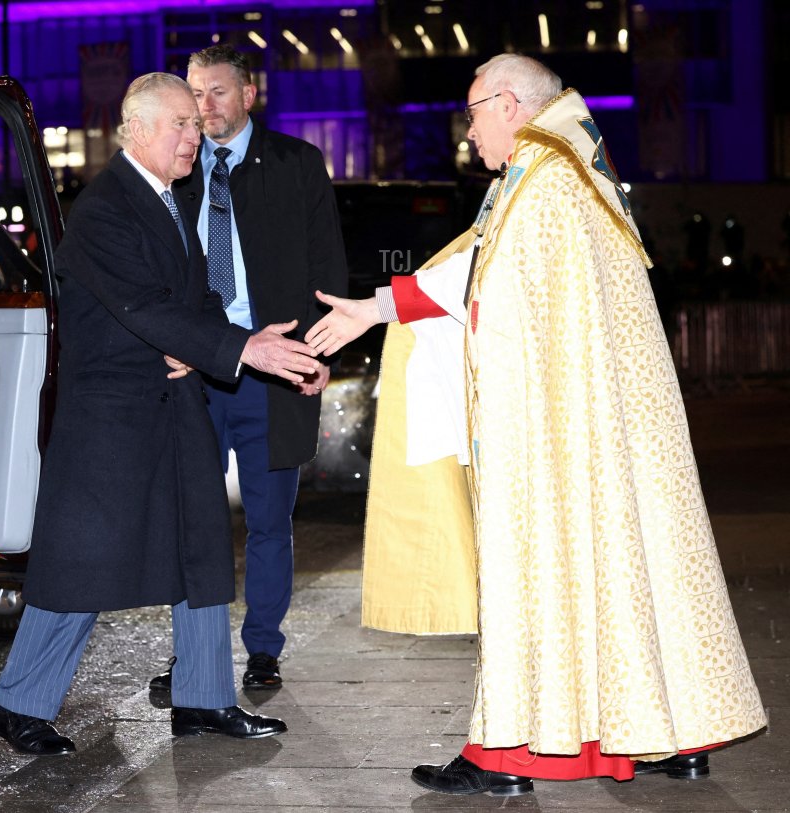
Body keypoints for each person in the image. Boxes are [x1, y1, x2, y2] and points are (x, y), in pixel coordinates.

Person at [306, 54, 766, 795]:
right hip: (605, 423)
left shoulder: (543, 178)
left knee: (544, 572)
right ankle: (676, 734)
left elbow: (495, 289)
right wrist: (382, 304)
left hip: (548, 431)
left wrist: (390, 308)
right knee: (634, 566)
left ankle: (510, 752)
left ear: (510, 104)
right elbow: (480, 269)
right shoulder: (563, 167)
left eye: (474, 112)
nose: (468, 130)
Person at [0, 72, 323, 756]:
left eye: (197, 124)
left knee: (200, 547)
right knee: (82, 563)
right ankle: (16, 704)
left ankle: (202, 699)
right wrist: (236, 347)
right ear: (136, 129)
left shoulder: (168, 198)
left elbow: (189, 306)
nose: (195, 135)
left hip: (171, 403)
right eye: (181, 124)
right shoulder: (105, 207)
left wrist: (201, 351)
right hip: (112, 415)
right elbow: (141, 306)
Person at [148, 44, 348, 695]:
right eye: (196, 94)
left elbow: (328, 272)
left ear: (249, 94)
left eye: (218, 92)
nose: (205, 107)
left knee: (269, 520)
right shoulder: (174, 175)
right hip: (197, 372)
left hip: (272, 374)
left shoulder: (296, 166)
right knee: (193, 519)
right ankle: (195, 654)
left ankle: (263, 647)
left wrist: (320, 356)